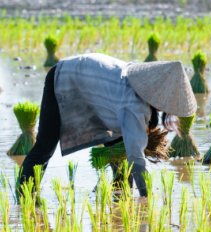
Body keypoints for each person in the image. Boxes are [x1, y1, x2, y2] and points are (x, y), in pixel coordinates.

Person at [17, 53, 197, 197]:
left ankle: (119, 193)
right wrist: (146, 196)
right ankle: (24, 195)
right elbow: (137, 157)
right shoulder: (133, 105)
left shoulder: (138, 78)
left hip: (88, 80)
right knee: (45, 146)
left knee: (118, 151)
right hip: (63, 77)